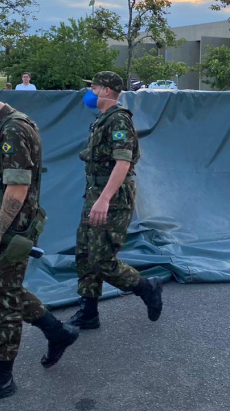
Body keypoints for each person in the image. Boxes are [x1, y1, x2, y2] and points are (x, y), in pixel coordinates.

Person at [0, 82, 79, 410]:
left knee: (2, 300)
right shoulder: (5, 127)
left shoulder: (14, 130)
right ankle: (57, 332)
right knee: (6, 290)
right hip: (4, 227)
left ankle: (2, 377)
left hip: (11, 231)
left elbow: (17, 189)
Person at [69, 71, 163, 330]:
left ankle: (147, 288)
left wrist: (104, 199)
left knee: (102, 260)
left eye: (94, 87)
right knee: (85, 254)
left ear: (107, 90)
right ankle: (88, 312)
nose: (90, 93)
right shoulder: (102, 119)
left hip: (112, 198)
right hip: (95, 193)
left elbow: (123, 163)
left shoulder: (119, 120)